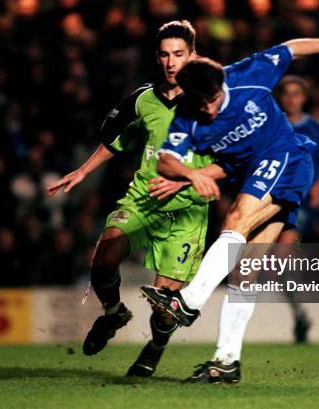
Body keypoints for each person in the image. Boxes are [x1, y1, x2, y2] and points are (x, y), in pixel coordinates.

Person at [140, 25, 319, 383]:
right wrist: (189, 173)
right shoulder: (189, 114)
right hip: (257, 175)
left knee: (236, 219)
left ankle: (189, 301)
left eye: (213, 101)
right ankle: (226, 361)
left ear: (221, 86)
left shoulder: (248, 75)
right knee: (244, 272)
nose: (209, 111)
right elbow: (167, 158)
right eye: (201, 105)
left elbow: (289, 46)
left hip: (287, 158)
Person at [47, 20, 225, 377]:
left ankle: (155, 349)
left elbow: (231, 157)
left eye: (178, 54)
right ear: (156, 58)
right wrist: (83, 171)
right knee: (103, 257)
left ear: (194, 54)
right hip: (144, 199)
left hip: (187, 213)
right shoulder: (144, 99)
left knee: (163, 308)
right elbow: (116, 139)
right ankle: (114, 314)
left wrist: (188, 181)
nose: (171, 62)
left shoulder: (215, 100)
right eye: (164, 55)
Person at [275, 75, 319, 343]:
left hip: (300, 202)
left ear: (304, 98)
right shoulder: (274, 126)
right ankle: (300, 315)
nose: (291, 99)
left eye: (296, 94)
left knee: (280, 257)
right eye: (287, 94)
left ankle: (300, 313)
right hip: (271, 200)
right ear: (281, 97)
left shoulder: (317, 128)